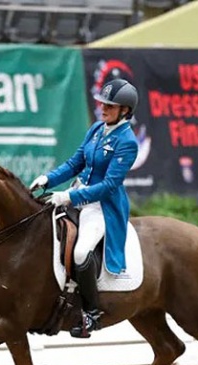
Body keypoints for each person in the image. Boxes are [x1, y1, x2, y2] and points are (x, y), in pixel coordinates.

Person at [30, 78, 139, 338]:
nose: (103, 109)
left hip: (102, 206)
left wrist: (69, 197)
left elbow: (110, 185)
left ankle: (91, 314)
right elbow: (74, 163)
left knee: (80, 253)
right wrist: (48, 179)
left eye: (110, 106)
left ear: (125, 110)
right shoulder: (96, 129)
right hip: (77, 194)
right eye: (103, 103)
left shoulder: (128, 142)